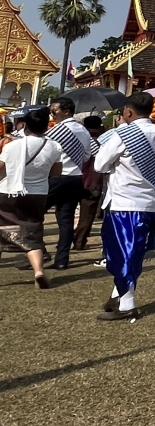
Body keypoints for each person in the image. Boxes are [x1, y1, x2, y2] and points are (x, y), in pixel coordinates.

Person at [94, 92, 155, 320]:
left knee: (120, 254)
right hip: (149, 203)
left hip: (123, 203)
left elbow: (100, 164)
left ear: (128, 112)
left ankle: (127, 304)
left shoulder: (122, 134)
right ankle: (118, 294)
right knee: (133, 253)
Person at [0, 106, 64, 288]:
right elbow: (56, 173)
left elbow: (1, 168)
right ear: (46, 126)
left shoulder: (12, 146)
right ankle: (38, 271)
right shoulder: (54, 146)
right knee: (33, 230)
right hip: (37, 193)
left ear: (25, 125)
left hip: (9, 191)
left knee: (0, 230)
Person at [45, 96, 96, 269]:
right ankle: (61, 260)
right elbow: (88, 156)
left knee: (34, 215)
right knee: (65, 220)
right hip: (75, 178)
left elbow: (45, 152)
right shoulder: (83, 131)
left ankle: (38, 252)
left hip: (57, 178)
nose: (52, 114)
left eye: (55, 110)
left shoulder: (56, 131)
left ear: (66, 111)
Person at [73, 115, 106, 251]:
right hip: (92, 183)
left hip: (73, 179)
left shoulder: (78, 142)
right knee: (87, 216)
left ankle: (65, 239)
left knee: (65, 213)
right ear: (100, 127)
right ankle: (79, 241)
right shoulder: (101, 145)